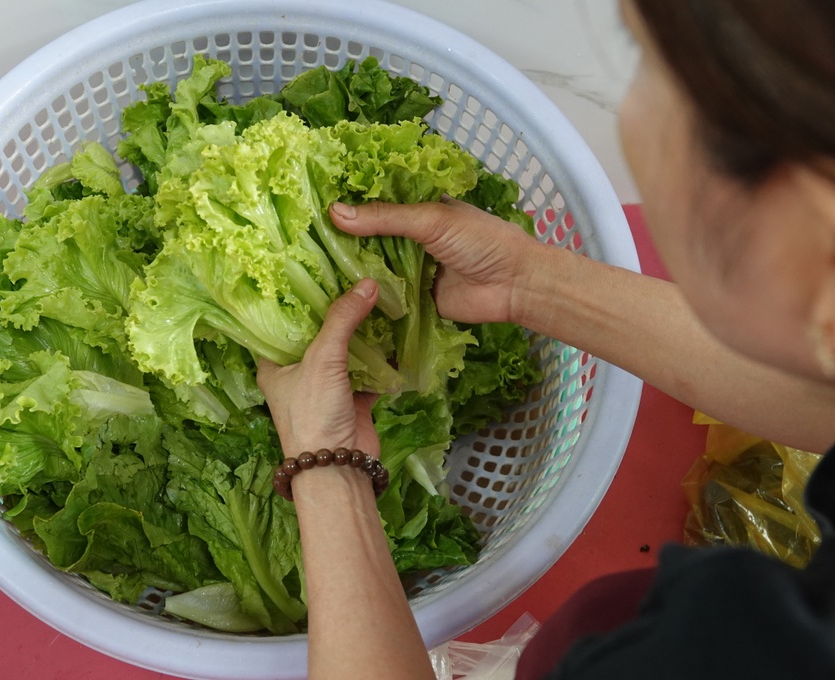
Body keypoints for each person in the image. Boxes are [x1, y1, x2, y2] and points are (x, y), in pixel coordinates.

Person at [256, 0, 835, 678]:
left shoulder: (729, 654)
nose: (627, 112)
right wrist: (529, 284)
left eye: (650, 66)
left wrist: (325, 462)